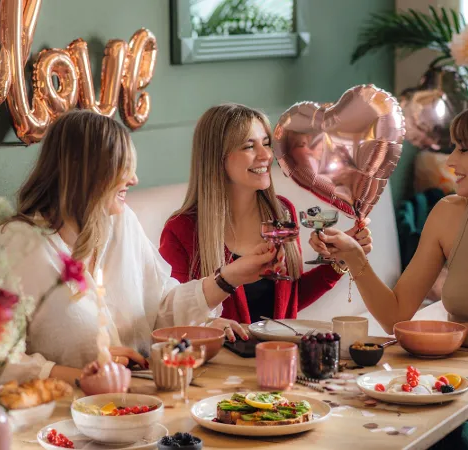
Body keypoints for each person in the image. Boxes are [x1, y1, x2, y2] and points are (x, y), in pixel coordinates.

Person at [0, 110, 283, 385]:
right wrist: (79, 376)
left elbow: (161, 310)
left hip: (136, 402)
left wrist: (228, 278)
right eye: (123, 168)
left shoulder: (121, 223)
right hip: (64, 417)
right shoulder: (17, 246)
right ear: (86, 173)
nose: (133, 179)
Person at [310, 98, 468, 352]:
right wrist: (354, 256)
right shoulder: (447, 214)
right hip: (458, 368)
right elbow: (395, 316)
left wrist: (422, 331)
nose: (450, 161)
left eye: (463, 149)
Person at [159, 103, 373, 342]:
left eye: (267, 143)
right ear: (217, 158)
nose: (266, 155)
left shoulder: (282, 213)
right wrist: (207, 323)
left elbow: (290, 300)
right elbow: (170, 318)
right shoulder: (180, 230)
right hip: (220, 367)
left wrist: (339, 261)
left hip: (279, 357)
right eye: (250, 146)